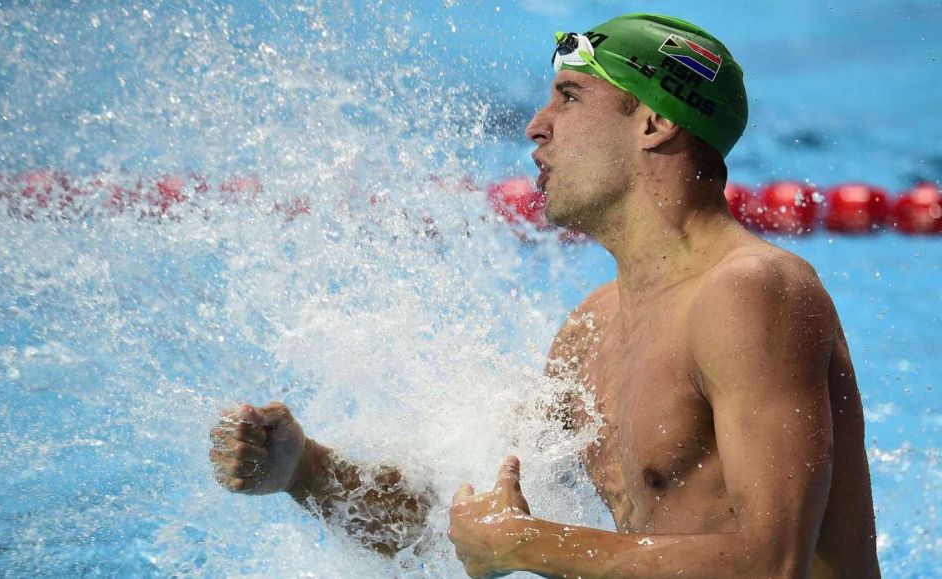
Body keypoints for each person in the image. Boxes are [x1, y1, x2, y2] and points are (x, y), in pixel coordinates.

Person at [209, 13, 880, 578]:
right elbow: (463, 529)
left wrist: (525, 543)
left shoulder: (752, 292)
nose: (535, 124)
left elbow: (773, 562)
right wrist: (305, 469)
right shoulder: (595, 325)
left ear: (653, 123)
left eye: (569, 97)